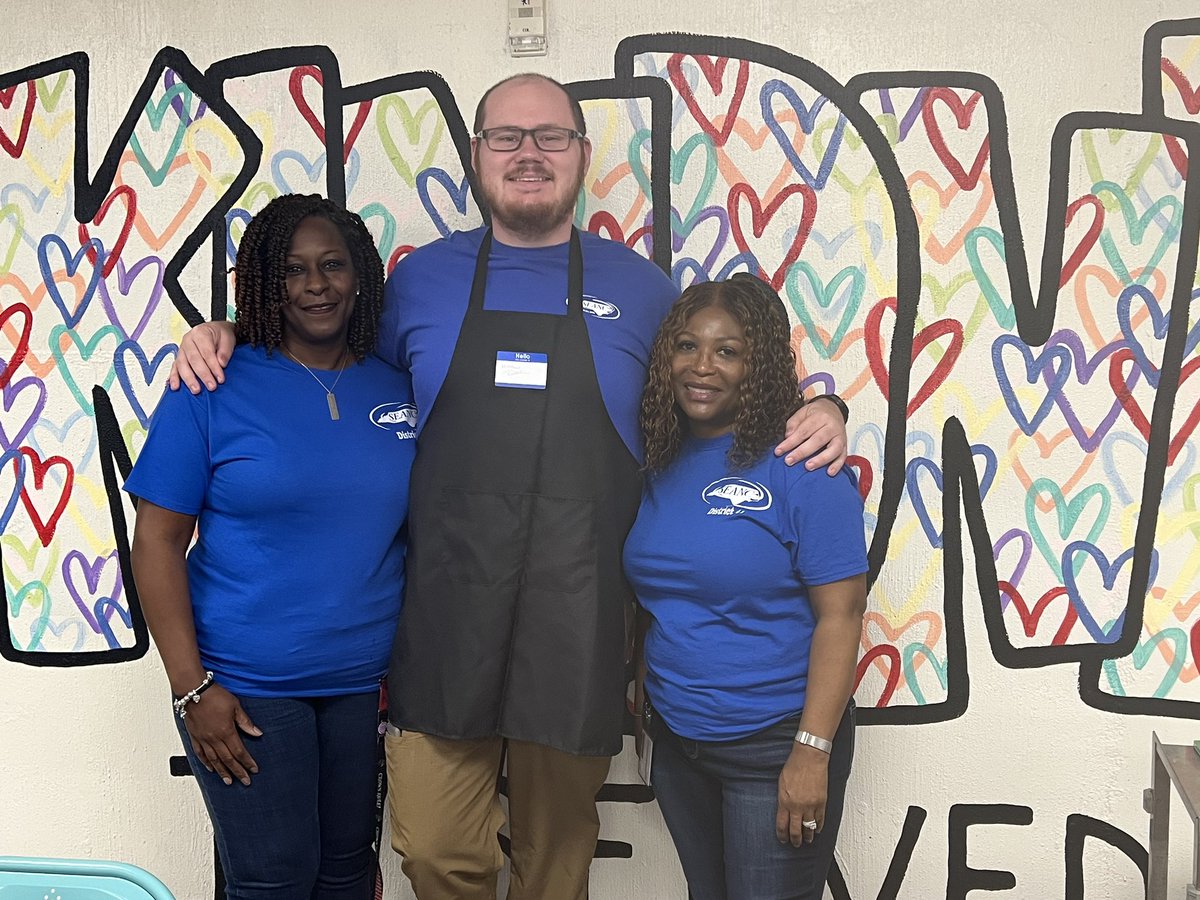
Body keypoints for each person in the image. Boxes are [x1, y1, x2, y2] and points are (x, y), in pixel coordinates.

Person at [168, 74, 850, 900]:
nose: (529, 154)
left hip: (579, 627)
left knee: (556, 861)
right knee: (430, 847)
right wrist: (231, 328)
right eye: (507, 137)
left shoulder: (642, 289)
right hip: (444, 626)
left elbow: (718, 381)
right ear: (476, 156)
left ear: (581, 156)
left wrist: (824, 404)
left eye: (550, 137)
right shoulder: (418, 282)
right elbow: (320, 340)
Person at [127, 194, 417, 899]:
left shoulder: (399, 383)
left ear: (362, 275)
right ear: (262, 283)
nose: (316, 286)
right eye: (290, 270)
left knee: (347, 876)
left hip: (362, 689)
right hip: (245, 687)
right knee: (274, 881)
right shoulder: (212, 386)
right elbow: (157, 543)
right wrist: (192, 688)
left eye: (332, 266)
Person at [624, 273, 868, 900]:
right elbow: (667, 590)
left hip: (776, 745)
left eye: (727, 350)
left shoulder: (805, 465)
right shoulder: (661, 456)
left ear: (758, 363)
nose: (702, 366)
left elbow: (842, 616)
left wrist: (812, 752)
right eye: (686, 346)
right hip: (680, 743)